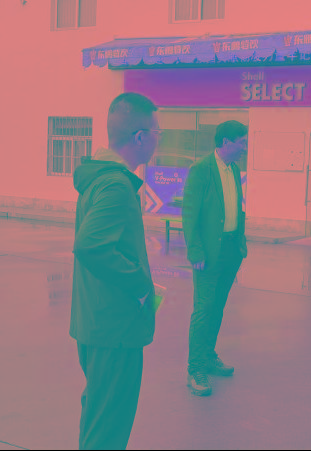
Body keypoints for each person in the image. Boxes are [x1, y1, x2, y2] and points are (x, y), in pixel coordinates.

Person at [71, 93, 161, 450]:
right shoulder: (116, 184)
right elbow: (90, 245)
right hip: (115, 328)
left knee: (99, 419)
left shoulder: (102, 178)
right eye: (157, 132)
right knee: (108, 430)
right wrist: (140, 283)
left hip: (98, 321)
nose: (158, 139)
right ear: (140, 137)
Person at [182, 120, 248, 396]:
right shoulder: (201, 169)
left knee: (217, 307)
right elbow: (190, 213)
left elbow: (235, 208)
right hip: (208, 254)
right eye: (241, 142)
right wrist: (195, 250)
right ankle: (195, 368)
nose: (245, 147)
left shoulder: (234, 169)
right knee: (203, 309)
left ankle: (208, 356)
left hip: (231, 250)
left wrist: (241, 243)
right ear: (226, 142)